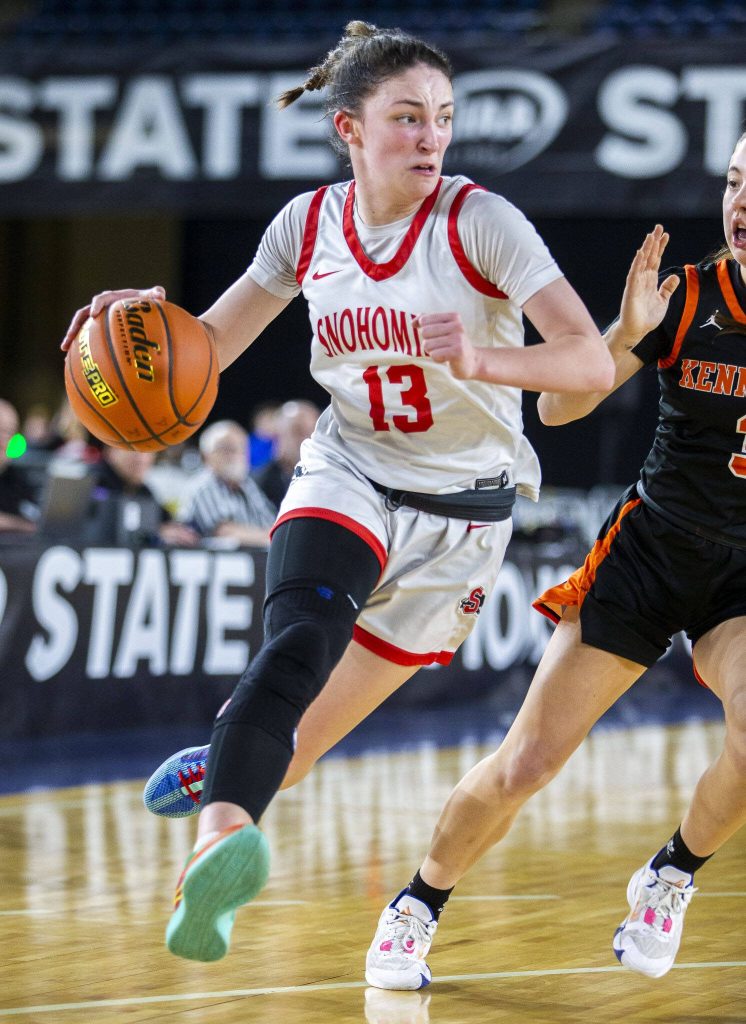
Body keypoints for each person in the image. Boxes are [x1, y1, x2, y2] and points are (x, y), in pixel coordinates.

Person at [62, 21, 613, 965]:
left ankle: (229, 765)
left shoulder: (481, 222)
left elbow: (590, 362)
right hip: (350, 469)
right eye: (406, 119)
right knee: (295, 646)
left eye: (442, 117)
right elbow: (207, 349)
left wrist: (483, 356)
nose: (431, 137)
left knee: (306, 739)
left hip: (464, 516)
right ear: (349, 129)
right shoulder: (308, 227)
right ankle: (221, 847)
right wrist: (127, 349)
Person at [360, 132, 746, 991]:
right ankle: (417, 904)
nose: (741, 202)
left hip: (742, 580)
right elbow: (561, 407)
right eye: (732, 182)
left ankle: (672, 875)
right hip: (651, 554)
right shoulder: (687, 298)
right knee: (527, 763)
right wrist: (625, 334)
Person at [180, 419, 277, 546]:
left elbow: (271, 524)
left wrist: (268, 535)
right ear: (207, 455)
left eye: (241, 449)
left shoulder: (247, 485)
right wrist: (268, 537)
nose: (235, 456)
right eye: (227, 449)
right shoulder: (203, 485)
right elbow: (224, 532)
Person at [87, 446, 200, 547]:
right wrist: (154, 532)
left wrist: (178, 531)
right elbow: (106, 522)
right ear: (111, 452)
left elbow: (165, 521)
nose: (141, 459)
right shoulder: (93, 483)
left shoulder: (144, 491)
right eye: (133, 451)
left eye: (147, 452)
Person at [252, 399, 321, 508]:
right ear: (277, 435)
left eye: (313, 432)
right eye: (298, 431)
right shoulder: (257, 485)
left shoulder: (329, 476)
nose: (307, 439)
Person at [0, 398, 39, 535]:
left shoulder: (16, 477)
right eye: (1, 430)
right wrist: (20, 524)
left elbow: (35, 514)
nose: (4, 440)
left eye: (9, 433)